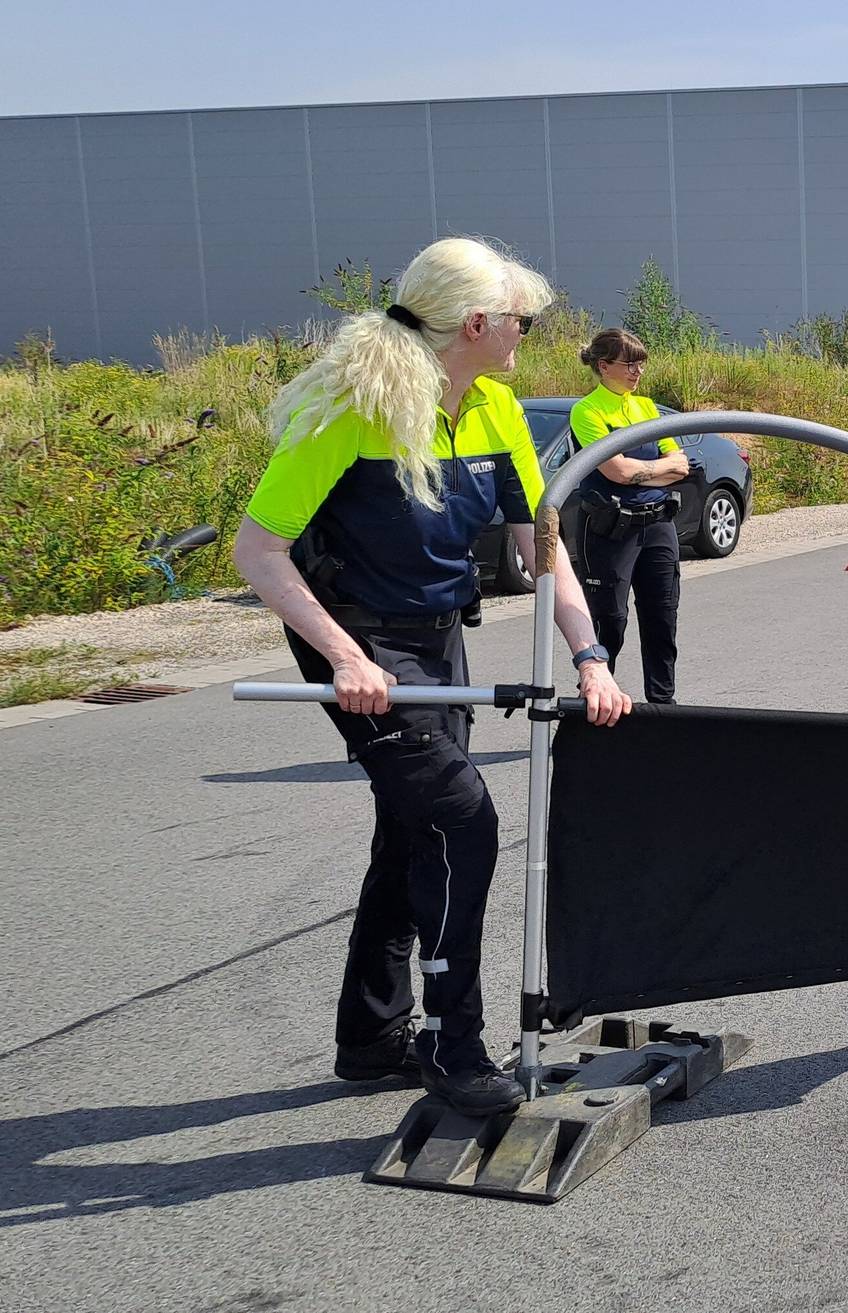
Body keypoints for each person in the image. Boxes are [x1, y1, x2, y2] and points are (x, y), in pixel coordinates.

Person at [233, 236, 631, 1117]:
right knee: (460, 819)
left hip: (435, 636)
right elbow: (258, 552)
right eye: (521, 321)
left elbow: (544, 553)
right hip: (359, 640)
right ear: (478, 323)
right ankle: (455, 1046)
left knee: (412, 832)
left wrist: (591, 655)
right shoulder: (352, 408)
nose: (530, 333)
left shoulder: (493, 406)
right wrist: (344, 657)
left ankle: (370, 1037)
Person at [571, 328, 690, 704]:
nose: (638, 371)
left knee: (662, 618)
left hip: (657, 523)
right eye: (630, 364)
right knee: (611, 624)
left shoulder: (647, 408)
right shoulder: (587, 411)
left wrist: (640, 469)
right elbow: (615, 473)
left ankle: (663, 705)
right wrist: (655, 467)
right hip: (610, 529)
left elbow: (681, 466)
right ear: (604, 367)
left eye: (642, 364)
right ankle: (598, 699)